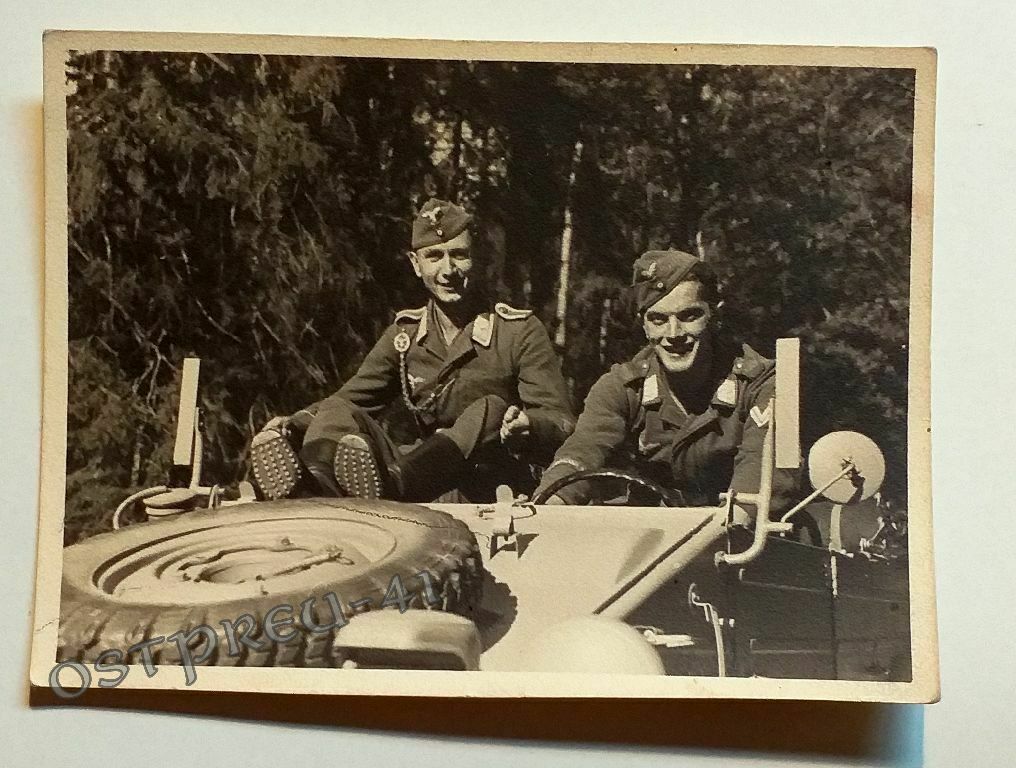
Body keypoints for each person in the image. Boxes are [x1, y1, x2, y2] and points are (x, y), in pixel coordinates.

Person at [252, 198, 575, 504]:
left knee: (491, 408)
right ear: (416, 264)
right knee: (337, 408)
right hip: (425, 482)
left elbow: (561, 422)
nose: (448, 270)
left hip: (490, 486)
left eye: (459, 255)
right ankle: (312, 487)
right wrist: (293, 424)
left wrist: (528, 426)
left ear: (477, 259)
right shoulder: (405, 335)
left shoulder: (517, 331)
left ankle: (393, 486)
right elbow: (353, 398)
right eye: (434, 257)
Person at [532, 249, 798, 513]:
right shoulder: (623, 387)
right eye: (658, 320)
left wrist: (731, 520)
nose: (673, 334)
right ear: (644, 325)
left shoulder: (760, 383)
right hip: (655, 530)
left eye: (689, 316)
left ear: (715, 315)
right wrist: (550, 504)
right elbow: (583, 450)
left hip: (735, 529)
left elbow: (761, 476)